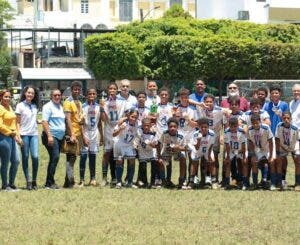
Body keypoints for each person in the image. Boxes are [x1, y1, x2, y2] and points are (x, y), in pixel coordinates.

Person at [100, 82, 127, 186]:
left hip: (119, 129)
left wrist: (120, 122)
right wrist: (102, 108)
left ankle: (117, 178)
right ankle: (104, 178)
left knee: (119, 154)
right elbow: (103, 119)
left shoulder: (122, 101)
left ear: (117, 90)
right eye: (110, 89)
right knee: (106, 154)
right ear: (107, 90)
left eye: (114, 89)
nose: (112, 90)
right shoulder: (105, 102)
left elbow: (126, 115)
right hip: (108, 130)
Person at [63, 81, 87, 188]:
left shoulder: (79, 102)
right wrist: (72, 134)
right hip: (71, 133)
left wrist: (83, 135)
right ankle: (70, 182)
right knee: (70, 158)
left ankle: (67, 182)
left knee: (73, 158)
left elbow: (79, 120)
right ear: (71, 90)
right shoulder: (68, 102)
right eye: (75, 89)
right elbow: (67, 119)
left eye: (78, 89)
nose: (77, 91)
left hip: (78, 133)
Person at [16, 85, 40, 190]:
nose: (30, 94)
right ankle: (28, 181)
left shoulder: (35, 106)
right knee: (25, 157)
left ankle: (34, 180)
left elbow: (33, 118)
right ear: (25, 93)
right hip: (24, 134)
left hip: (34, 134)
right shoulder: (20, 106)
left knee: (35, 157)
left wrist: (39, 121)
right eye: (29, 92)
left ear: (34, 95)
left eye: (32, 93)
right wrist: (18, 135)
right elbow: (17, 122)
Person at [42, 89, 65, 189]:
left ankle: (48, 182)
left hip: (60, 137)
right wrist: (50, 136)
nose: (57, 97)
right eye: (55, 95)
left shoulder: (61, 106)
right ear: (51, 96)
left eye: (59, 95)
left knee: (54, 158)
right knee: (55, 157)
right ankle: (50, 183)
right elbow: (44, 122)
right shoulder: (47, 106)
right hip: (51, 136)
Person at [79, 88, 102, 187]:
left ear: (96, 95)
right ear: (86, 95)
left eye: (94, 94)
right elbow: (80, 123)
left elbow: (100, 123)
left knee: (93, 157)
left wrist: (102, 137)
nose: (92, 95)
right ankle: (82, 180)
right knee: (83, 157)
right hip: (85, 132)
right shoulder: (82, 106)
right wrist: (83, 136)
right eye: (90, 94)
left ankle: (93, 179)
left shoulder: (98, 107)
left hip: (94, 133)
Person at [156, 117, 187, 189]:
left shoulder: (181, 135)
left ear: (177, 127)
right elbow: (158, 144)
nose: (172, 128)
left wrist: (178, 148)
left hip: (178, 151)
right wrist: (159, 156)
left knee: (183, 159)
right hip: (167, 151)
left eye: (174, 127)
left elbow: (186, 148)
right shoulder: (164, 133)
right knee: (161, 162)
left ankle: (181, 181)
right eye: (170, 127)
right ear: (168, 127)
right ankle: (164, 181)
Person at [0, 89, 21, 191]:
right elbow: (0, 125)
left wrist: (16, 135)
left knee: (16, 160)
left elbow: (14, 123)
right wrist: (10, 133)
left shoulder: (10, 108)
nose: (8, 98)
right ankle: (5, 185)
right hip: (4, 137)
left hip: (12, 136)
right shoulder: (0, 108)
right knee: (5, 162)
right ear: (1, 97)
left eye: (9, 97)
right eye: (5, 96)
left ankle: (11, 183)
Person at [246, 114, 274, 190]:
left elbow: (271, 141)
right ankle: (255, 183)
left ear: (260, 121)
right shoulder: (250, 129)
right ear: (251, 123)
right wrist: (253, 154)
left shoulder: (266, 127)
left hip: (267, 148)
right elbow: (250, 142)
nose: (255, 125)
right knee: (254, 161)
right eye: (253, 123)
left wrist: (271, 155)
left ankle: (270, 182)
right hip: (258, 149)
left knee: (271, 162)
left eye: (257, 123)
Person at [274, 111, 300, 191]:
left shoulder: (295, 128)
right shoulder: (279, 126)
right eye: (284, 118)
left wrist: (297, 152)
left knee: (298, 160)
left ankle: (298, 183)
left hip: (293, 145)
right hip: (283, 146)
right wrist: (278, 153)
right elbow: (277, 139)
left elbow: (298, 140)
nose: (286, 120)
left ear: (291, 119)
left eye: (288, 118)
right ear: (282, 118)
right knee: (280, 160)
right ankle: (281, 182)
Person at [113, 109, 139, 188]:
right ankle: (119, 182)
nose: (133, 119)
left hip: (129, 145)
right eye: (132, 117)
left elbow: (147, 122)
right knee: (119, 161)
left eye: (135, 117)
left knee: (132, 161)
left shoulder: (137, 124)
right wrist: (120, 128)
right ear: (128, 116)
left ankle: (130, 182)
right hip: (120, 144)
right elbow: (113, 134)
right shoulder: (123, 123)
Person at [189, 118, 215, 188]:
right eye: (202, 127)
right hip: (197, 150)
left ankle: (212, 180)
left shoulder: (212, 134)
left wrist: (209, 155)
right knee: (194, 162)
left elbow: (211, 145)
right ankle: (191, 181)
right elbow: (196, 148)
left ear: (208, 127)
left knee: (212, 161)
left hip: (207, 149)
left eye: (205, 127)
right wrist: (199, 140)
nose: (203, 129)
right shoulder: (195, 134)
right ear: (199, 127)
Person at [223, 117, 247, 189]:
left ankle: (244, 182)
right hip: (231, 150)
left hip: (240, 150)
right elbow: (227, 145)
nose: (233, 128)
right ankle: (227, 183)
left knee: (243, 163)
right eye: (231, 126)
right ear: (229, 125)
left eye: (235, 126)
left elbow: (243, 145)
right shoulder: (226, 132)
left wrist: (244, 156)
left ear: (237, 125)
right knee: (228, 164)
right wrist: (227, 156)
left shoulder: (241, 131)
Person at [134, 118, 158, 188]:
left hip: (151, 151)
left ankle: (153, 183)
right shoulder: (139, 131)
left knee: (154, 166)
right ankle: (145, 182)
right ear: (142, 125)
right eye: (144, 126)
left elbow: (155, 145)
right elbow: (136, 141)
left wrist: (151, 144)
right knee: (143, 167)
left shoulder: (154, 133)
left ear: (150, 125)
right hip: (142, 151)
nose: (146, 127)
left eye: (148, 125)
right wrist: (136, 149)